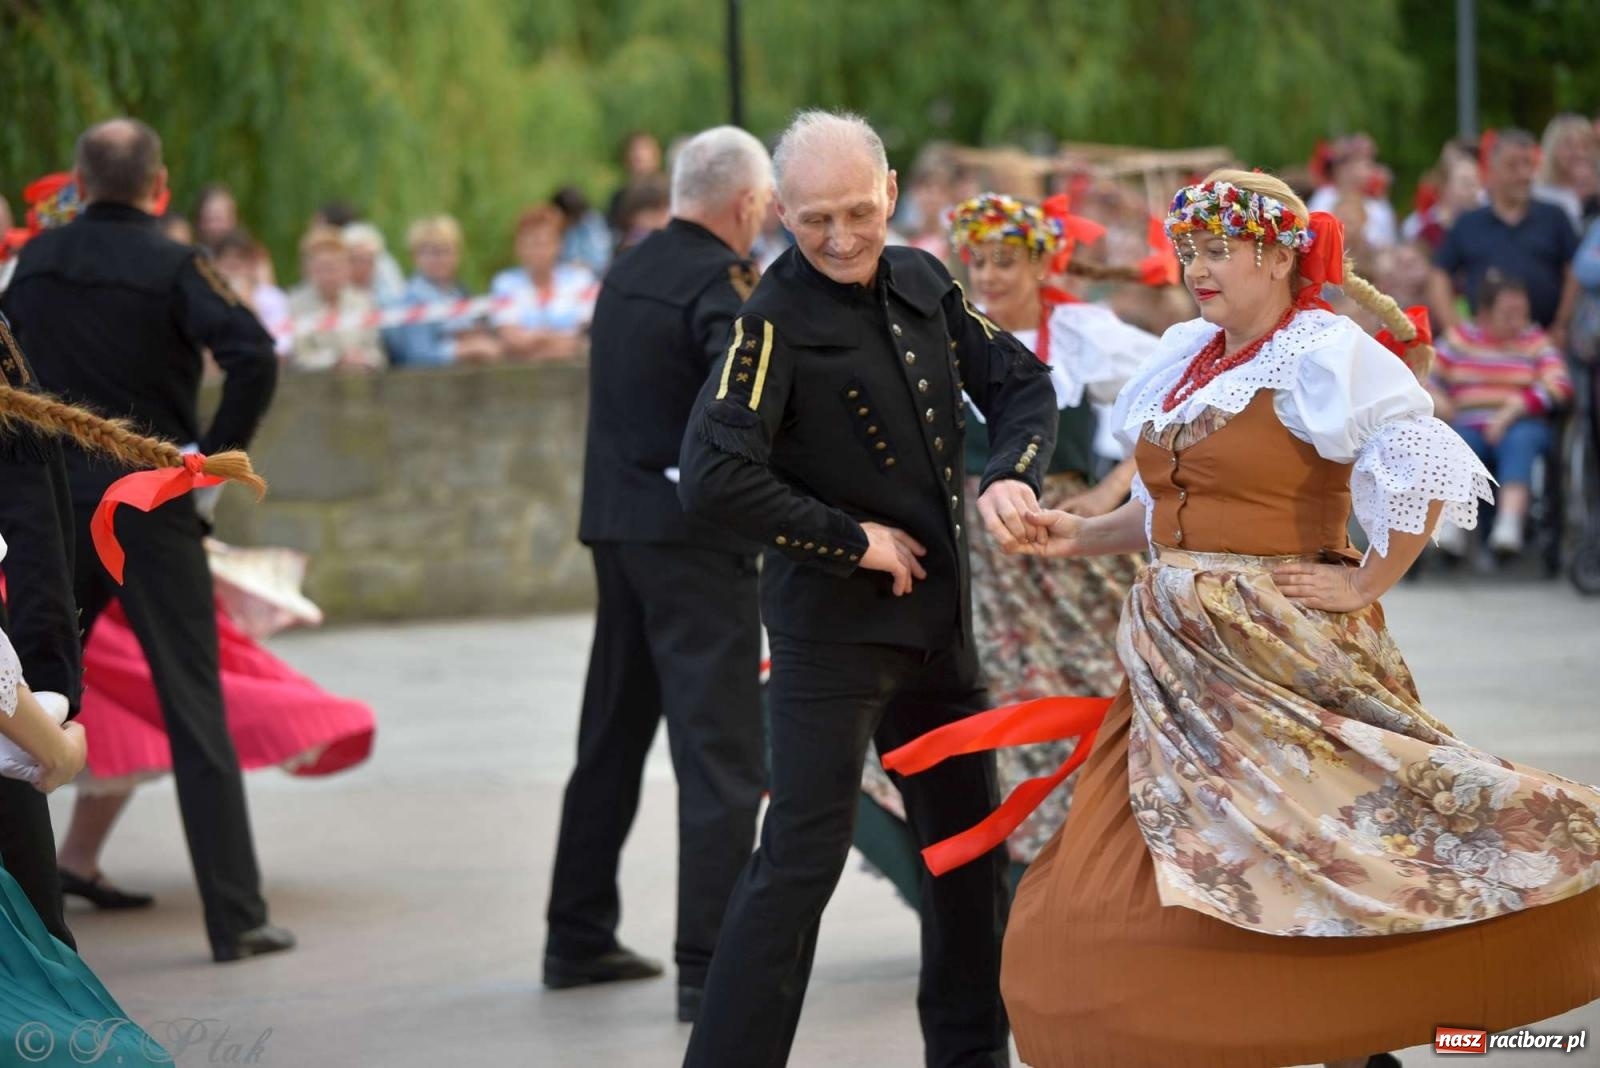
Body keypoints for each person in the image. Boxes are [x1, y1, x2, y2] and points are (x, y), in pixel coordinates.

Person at [888, 170, 1600, 1068]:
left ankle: (1358, 1041)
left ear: (1276, 256)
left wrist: (1366, 580)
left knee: (1330, 852)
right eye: (1189, 250)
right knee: (1168, 873)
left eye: (1218, 250)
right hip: (1175, 659)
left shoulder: (1323, 350)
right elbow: (1170, 509)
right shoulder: (1189, 352)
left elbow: (1426, 455)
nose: (1196, 268)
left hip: (1281, 650)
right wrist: (1083, 534)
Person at [676, 109, 1059, 1068]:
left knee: (969, 862)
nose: (841, 238)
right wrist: (850, 542)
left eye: (858, 212)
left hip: (938, 641)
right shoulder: (768, 320)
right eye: (815, 220)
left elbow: (1023, 385)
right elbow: (714, 475)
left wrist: (1010, 474)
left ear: (890, 193)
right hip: (830, 642)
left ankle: (969, 1058)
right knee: (798, 864)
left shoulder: (927, 282)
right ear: (780, 212)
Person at [1, 118, 294, 964]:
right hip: (150, 501)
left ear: (78, 184)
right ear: (158, 185)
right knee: (194, 707)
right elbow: (254, 353)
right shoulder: (174, 263)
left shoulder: (33, 264)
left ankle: (27, 927)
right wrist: (208, 462)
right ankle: (237, 917)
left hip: (53, 508)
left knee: (30, 697)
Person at [857, 192, 1156, 893]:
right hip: (974, 553)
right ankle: (1005, 887)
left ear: (1040, 263)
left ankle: (1096, 878)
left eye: (1005, 262)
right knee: (991, 704)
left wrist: (1109, 493)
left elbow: (1166, 410)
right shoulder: (943, 331)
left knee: (1100, 694)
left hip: (1066, 544)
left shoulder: (1080, 333)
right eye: (980, 261)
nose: (989, 276)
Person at [543, 125, 773, 1025]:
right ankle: (709, 965)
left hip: (619, 529)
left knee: (612, 734)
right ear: (746, 203)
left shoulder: (627, 270)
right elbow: (740, 397)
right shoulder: (724, 282)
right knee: (721, 755)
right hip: (693, 539)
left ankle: (576, 934)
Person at [1430, 271, 1573, 557]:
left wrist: (1515, 408)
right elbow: (1426, 377)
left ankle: (1509, 524)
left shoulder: (1535, 341)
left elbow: (1560, 385)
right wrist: (1437, 398)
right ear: (1484, 313)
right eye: (1508, 314)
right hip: (1466, 422)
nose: (1518, 321)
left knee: (1520, 443)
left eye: (1522, 313)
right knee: (1455, 444)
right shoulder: (1459, 339)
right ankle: (1453, 524)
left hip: (1520, 423)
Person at [1430, 128, 1581, 341]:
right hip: (1482, 347)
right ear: (1492, 171)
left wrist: (1562, 326)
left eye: (1528, 164)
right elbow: (1439, 274)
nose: (1523, 174)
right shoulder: (1468, 223)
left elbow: (1575, 273)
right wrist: (1454, 330)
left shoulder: (1555, 217)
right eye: (1512, 166)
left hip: (1544, 344)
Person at [382, 215, 501, 367]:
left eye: (446, 251)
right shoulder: (413, 298)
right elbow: (418, 354)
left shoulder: (460, 291)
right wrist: (465, 349)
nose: (440, 259)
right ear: (415, 256)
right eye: (432, 252)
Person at [490, 206, 596, 362]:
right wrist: (561, 340)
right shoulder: (505, 283)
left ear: (559, 244)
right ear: (518, 247)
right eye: (530, 243)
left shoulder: (581, 280)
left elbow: (585, 335)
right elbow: (511, 339)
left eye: (543, 243)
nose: (537, 251)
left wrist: (535, 340)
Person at [286, 226, 385, 372]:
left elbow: (378, 352)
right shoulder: (295, 303)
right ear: (308, 269)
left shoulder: (364, 301)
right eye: (322, 268)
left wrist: (362, 358)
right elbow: (299, 357)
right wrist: (335, 360)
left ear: (347, 267)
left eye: (335, 267)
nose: (329, 275)